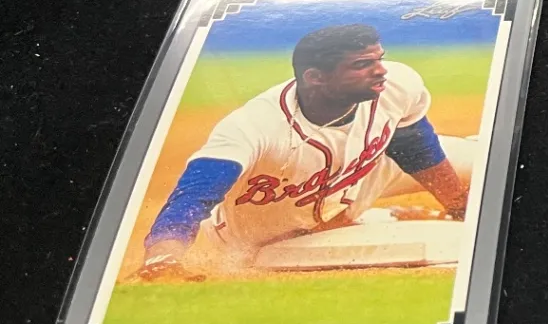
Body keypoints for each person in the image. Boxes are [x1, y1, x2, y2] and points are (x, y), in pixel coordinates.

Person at [136, 24, 470, 278]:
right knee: (315, 231)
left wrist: (458, 205)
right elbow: (194, 196)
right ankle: (383, 217)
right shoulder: (252, 127)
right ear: (315, 77)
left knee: (482, 159)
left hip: (365, 174)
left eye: (379, 59)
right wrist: (163, 258)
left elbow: (416, 148)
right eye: (362, 64)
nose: (381, 70)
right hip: (266, 231)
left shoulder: (396, 84)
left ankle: (372, 216)